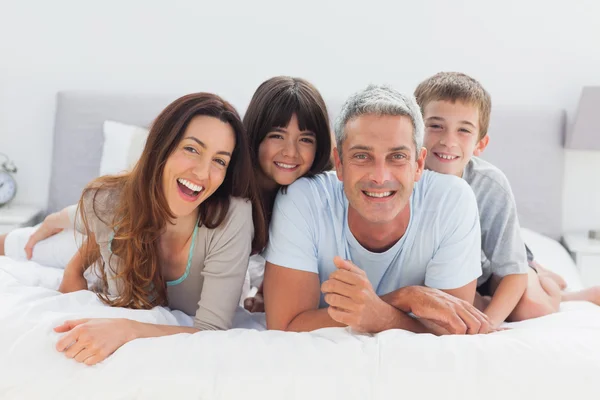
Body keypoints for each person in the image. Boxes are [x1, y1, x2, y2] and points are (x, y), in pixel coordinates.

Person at [44, 92, 267, 365]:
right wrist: (73, 270)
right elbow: (96, 223)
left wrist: (128, 329)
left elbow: (211, 330)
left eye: (219, 161)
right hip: (105, 208)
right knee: (33, 238)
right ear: (162, 146)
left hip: (121, 213)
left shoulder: (232, 217)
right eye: (192, 149)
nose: (202, 172)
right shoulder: (102, 203)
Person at [262, 84, 494, 335]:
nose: (380, 177)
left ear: (418, 164)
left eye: (397, 157)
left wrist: (379, 314)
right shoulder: (303, 200)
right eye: (362, 156)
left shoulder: (451, 201)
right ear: (339, 163)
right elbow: (286, 326)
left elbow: (452, 329)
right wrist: (406, 298)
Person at [414, 71, 600, 327]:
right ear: (413, 130)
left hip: (491, 263)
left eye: (464, 130)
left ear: (481, 144)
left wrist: (487, 325)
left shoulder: (489, 184)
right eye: (435, 126)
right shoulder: (399, 177)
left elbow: (511, 272)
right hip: (452, 271)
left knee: (530, 308)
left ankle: (558, 288)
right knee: (458, 304)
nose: (448, 141)